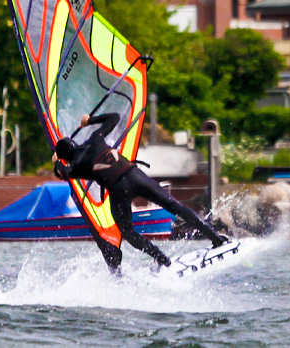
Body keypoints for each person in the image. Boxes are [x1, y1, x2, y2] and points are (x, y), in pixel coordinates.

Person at [52, 112, 228, 272]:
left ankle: (162, 260)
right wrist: (90, 120)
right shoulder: (95, 138)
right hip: (135, 175)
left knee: (127, 231)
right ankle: (216, 239)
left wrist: (56, 162)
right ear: (74, 143)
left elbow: (63, 173)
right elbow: (114, 117)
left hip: (118, 190)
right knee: (174, 206)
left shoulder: (76, 167)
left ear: (65, 157)